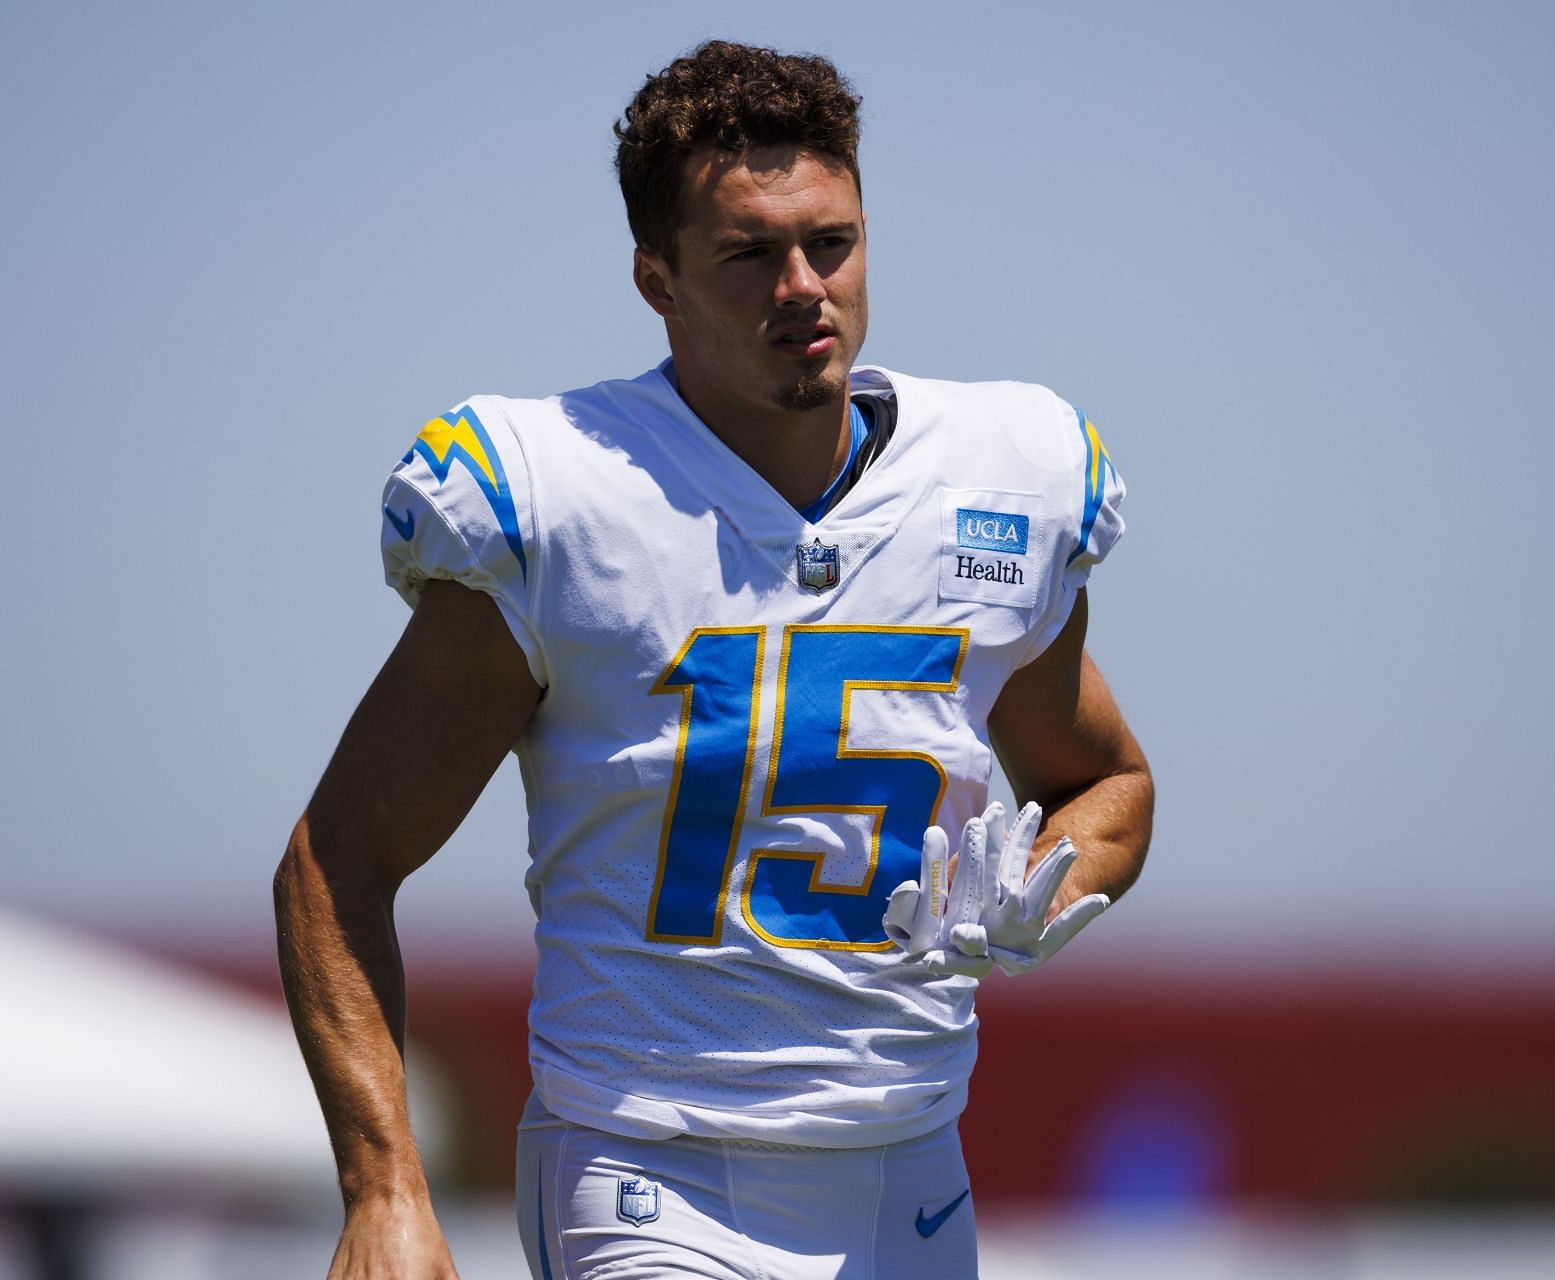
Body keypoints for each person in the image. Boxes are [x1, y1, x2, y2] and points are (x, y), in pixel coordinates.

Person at [274, 39, 1154, 1280]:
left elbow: (1108, 782)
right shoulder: (563, 498)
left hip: (914, 1172)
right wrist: (384, 1188)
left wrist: (1042, 893)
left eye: (832, 244)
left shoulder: (998, 477)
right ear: (658, 278)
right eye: (750, 253)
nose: (804, 286)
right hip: (651, 1170)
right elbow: (334, 860)